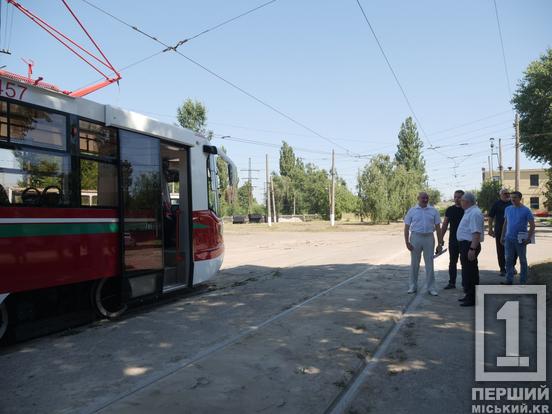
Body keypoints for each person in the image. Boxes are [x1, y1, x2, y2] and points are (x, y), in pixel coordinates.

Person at [404, 191, 444, 296]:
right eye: (423, 198)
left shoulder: (434, 211)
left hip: (429, 237)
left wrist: (440, 243)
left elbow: (438, 228)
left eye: (427, 198)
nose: (425, 200)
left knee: (429, 264)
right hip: (415, 237)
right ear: (418, 198)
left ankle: (431, 288)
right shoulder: (412, 211)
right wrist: (407, 242)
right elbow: (406, 227)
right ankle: (412, 286)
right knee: (414, 264)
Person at [500, 191, 535, 285]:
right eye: (511, 197)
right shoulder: (507, 209)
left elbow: (532, 225)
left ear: (520, 198)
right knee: (508, 259)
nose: (513, 199)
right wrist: (502, 236)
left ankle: (523, 281)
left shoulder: (526, 210)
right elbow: (505, 223)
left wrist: (529, 238)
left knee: (522, 260)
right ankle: (509, 279)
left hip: (521, 239)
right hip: (508, 238)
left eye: (515, 197)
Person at [456, 192, 484, 307]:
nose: (460, 201)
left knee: (471, 272)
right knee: (467, 271)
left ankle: (472, 298)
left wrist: (472, 249)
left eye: (462, 200)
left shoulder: (474, 213)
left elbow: (476, 232)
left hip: (470, 245)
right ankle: (468, 294)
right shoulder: (470, 211)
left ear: (467, 202)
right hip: (465, 245)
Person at [488, 188, 517, 275]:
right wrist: (490, 229)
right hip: (499, 230)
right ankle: (502, 269)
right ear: (500, 195)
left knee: (514, 250)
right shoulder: (496, 204)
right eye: (505, 193)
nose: (507, 194)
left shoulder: (512, 203)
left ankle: (512, 266)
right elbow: (491, 217)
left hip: (512, 230)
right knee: (501, 250)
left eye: (508, 193)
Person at [441, 190, 465, 290]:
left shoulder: (467, 210)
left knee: (465, 263)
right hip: (453, 240)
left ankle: (465, 284)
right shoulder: (450, 209)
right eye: (455, 197)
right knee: (452, 262)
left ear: (463, 198)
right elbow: (445, 224)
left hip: (465, 240)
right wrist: (440, 238)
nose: (456, 199)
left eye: (459, 197)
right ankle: (452, 283)